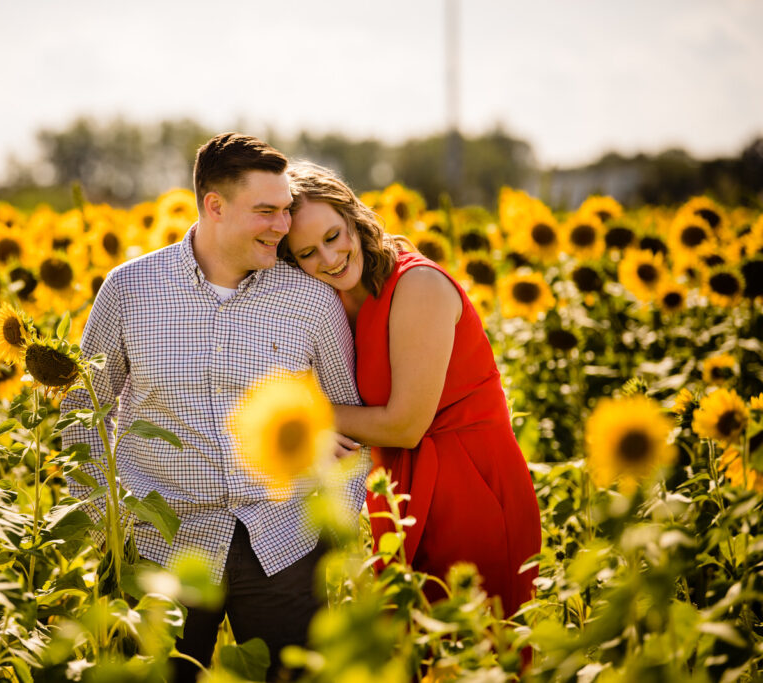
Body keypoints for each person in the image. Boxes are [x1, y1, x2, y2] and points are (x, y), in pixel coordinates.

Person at [62, 135, 370, 681]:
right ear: (214, 206)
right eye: (267, 211)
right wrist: (107, 529)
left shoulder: (311, 300)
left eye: (286, 210)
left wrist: (335, 532)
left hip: (283, 541)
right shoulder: (130, 290)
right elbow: (83, 411)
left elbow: (348, 416)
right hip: (162, 545)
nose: (282, 225)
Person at [281, 161, 541, 617]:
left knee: (475, 649)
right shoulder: (331, 300)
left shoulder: (417, 284)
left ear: (354, 218)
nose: (328, 258)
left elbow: (404, 425)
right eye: (306, 253)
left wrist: (302, 414)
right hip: (400, 489)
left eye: (333, 236)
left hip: (470, 484)